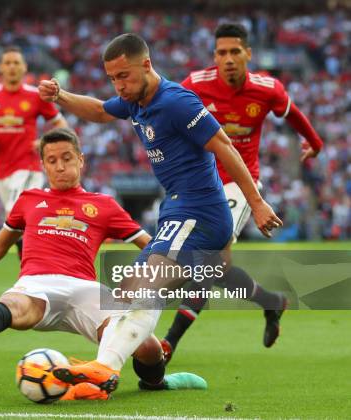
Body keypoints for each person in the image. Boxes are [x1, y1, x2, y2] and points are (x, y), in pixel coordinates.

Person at [38, 33, 282, 392]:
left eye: (124, 76)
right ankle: (135, 376)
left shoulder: (176, 102)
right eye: (112, 78)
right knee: (126, 291)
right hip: (176, 211)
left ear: (147, 65)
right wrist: (61, 95)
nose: (118, 86)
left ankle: (105, 369)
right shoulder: (134, 100)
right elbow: (100, 111)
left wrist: (257, 202)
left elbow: (224, 145)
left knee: (147, 285)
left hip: (200, 212)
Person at [0, 128, 206, 400]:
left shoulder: (104, 205)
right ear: (43, 165)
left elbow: (153, 246)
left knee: (146, 346)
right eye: (52, 160)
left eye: (67, 158)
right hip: (36, 282)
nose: (59, 166)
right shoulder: (29, 200)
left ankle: (155, 382)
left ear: (80, 160)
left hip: (85, 288)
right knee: (16, 307)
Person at [159, 22, 324, 362]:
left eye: (235, 52)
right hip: (200, 184)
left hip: (239, 184)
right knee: (217, 269)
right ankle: (272, 302)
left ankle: (168, 344)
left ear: (248, 53)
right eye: (222, 53)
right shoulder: (196, 84)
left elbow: (294, 116)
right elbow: (167, 108)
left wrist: (316, 143)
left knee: (207, 263)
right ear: (214, 57)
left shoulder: (267, 89)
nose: (229, 59)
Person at [0, 46, 68, 258]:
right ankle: (31, 265)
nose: (12, 67)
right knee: (21, 224)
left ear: (24, 67)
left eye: (16, 63)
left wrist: (45, 140)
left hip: (28, 167)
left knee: (16, 215)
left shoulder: (35, 96)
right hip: (1, 170)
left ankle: (29, 262)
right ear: (0, 67)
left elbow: (61, 124)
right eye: (7, 63)